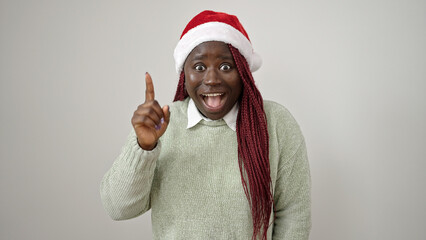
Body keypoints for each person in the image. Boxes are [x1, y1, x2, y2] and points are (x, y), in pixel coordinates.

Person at [100, 10, 311, 240]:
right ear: (185, 74)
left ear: (243, 73)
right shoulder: (161, 126)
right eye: (199, 67)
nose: (211, 79)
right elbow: (118, 208)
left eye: (226, 67)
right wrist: (144, 148)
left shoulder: (275, 123)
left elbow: (294, 213)